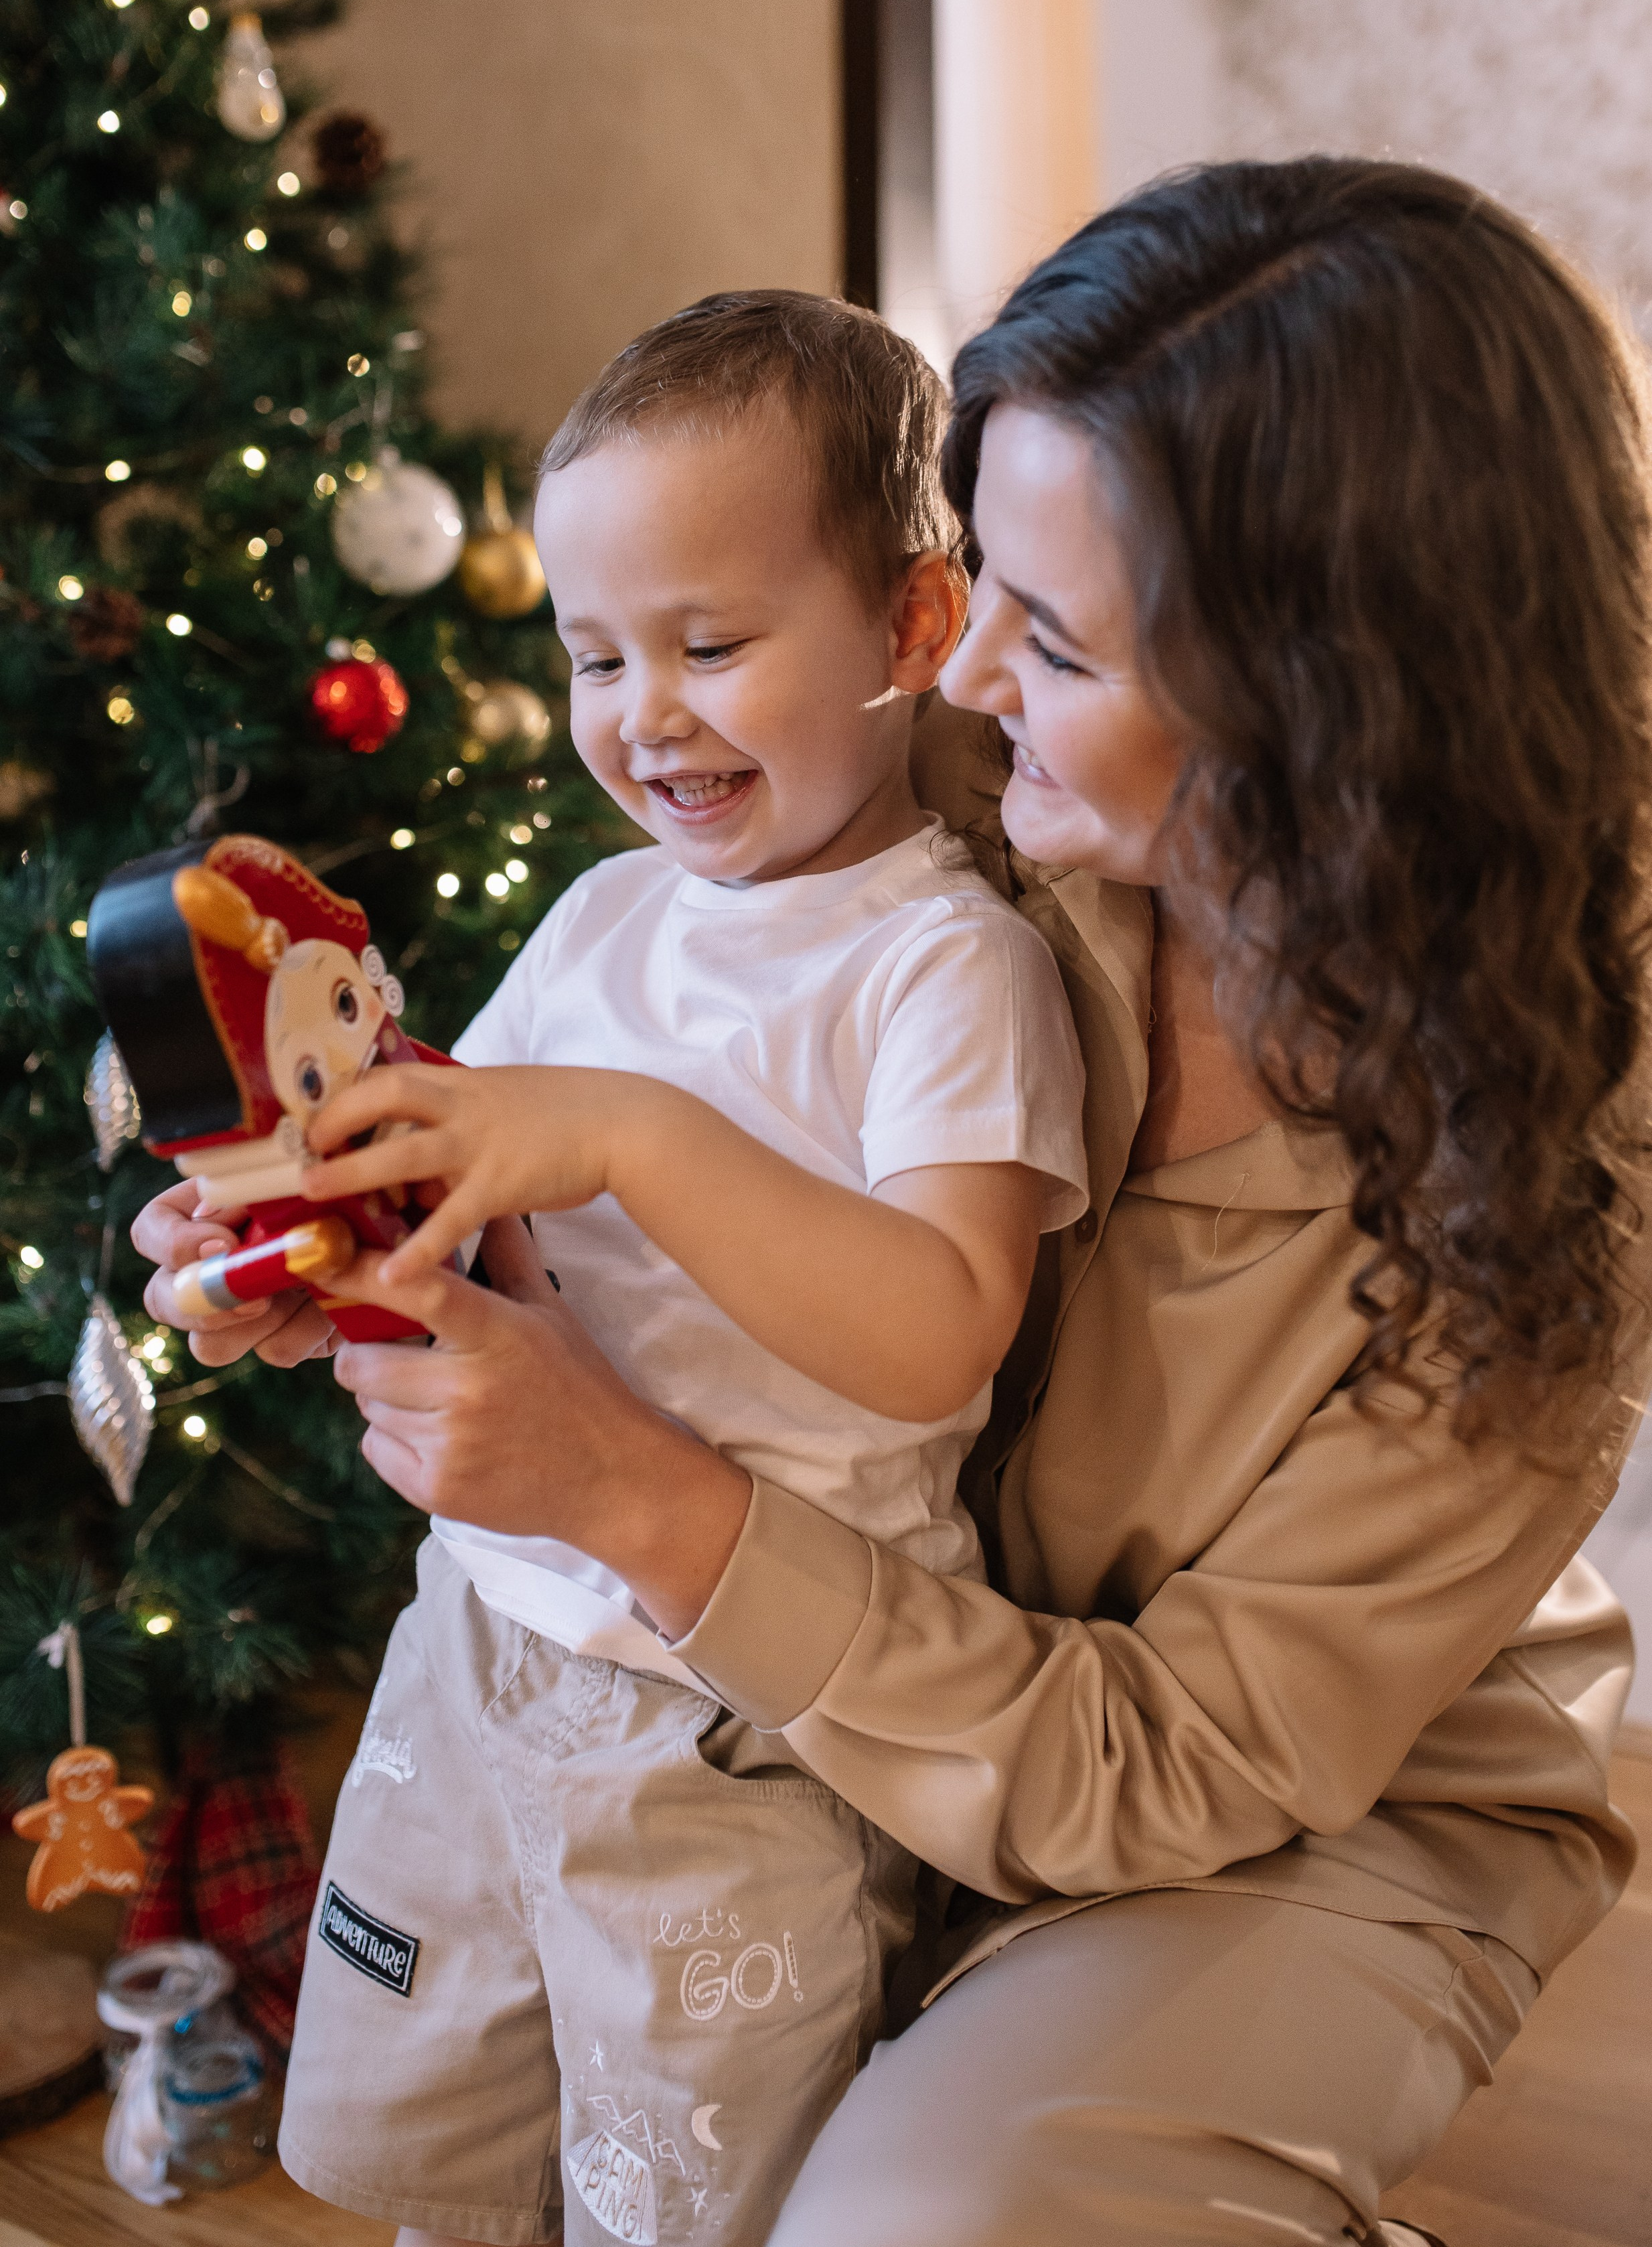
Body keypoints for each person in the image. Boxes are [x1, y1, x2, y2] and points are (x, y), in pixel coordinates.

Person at [137, 157, 1651, 2247]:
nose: (952, 681)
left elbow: (1165, 1758)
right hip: (826, 1652)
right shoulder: (923, 784)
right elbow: (575, 1114)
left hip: (1248, 1796)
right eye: (975, 592)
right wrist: (353, 1237)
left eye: (1051, 636)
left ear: (1319, 714)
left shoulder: (1562, 1157)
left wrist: (638, 1492)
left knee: (922, 2220)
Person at [141, 289, 1090, 2247]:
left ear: (912, 628)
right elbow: (446, 1179)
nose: (640, 713)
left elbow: (937, 1331)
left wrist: (632, 1135)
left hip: (734, 1728)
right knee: (447, 2147)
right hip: (477, 1639)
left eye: (710, 644)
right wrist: (278, 1246)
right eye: (591, 655)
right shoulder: (599, 912)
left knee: (684, 2185)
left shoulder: (941, 964)